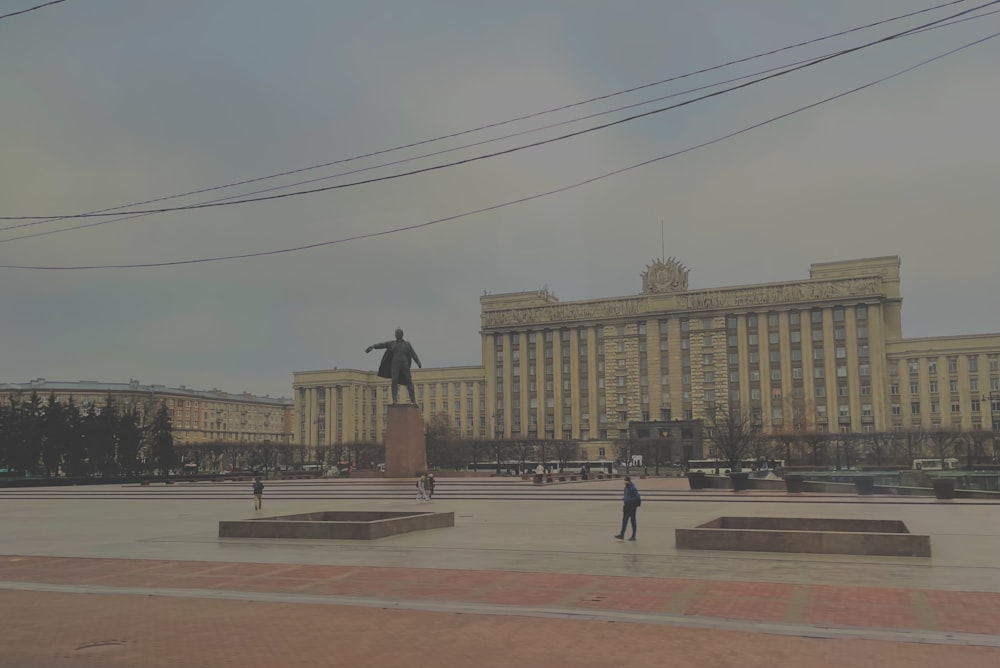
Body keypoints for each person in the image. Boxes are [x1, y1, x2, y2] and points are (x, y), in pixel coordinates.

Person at [365, 328, 422, 404]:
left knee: (409, 381)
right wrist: (373, 346)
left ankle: (413, 401)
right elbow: (382, 344)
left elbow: (413, 354)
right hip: (395, 365)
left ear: (401, 335)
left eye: (397, 333)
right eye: (395, 333)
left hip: (405, 365)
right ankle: (394, 400)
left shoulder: (407, 344)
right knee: (394, 381)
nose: (395, 335)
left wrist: (418, 362)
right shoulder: (392, 343)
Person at [614, 476, 641, 541]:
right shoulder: (626, 488)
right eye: (624, 481)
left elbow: (637, 498)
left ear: (629, 481)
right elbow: (626, 495)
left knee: (633, 521)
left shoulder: (633, 488)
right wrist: (624, 499)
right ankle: (622, 535)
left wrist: (628, 499)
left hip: (632, 507)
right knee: (624, 521)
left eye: (626, 481)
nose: (625, 482)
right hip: (626, 506)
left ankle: (633, 536)